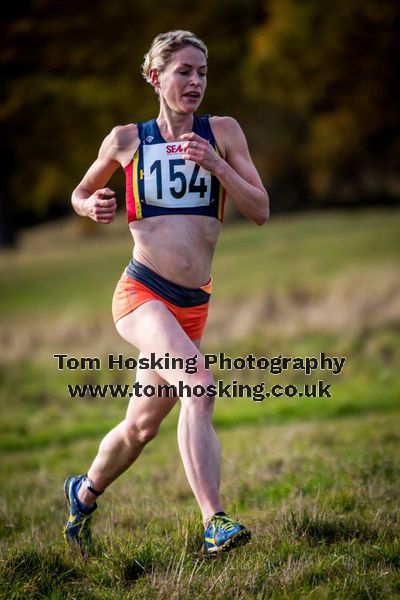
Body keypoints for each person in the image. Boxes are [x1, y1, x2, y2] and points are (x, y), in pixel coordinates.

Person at [64, 30, 269, 555]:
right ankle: (215, 522)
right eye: (184, 71)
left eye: (202, 72)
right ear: (156, 77)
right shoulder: (127, 140)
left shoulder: (222, 132)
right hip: (141, 292)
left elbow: (260, 209)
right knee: (198, 385)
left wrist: (217, 165)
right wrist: (91, 207)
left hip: (193, 304)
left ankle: (83, 495)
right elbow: (81, 191)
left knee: (139, 428)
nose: (196, 81)